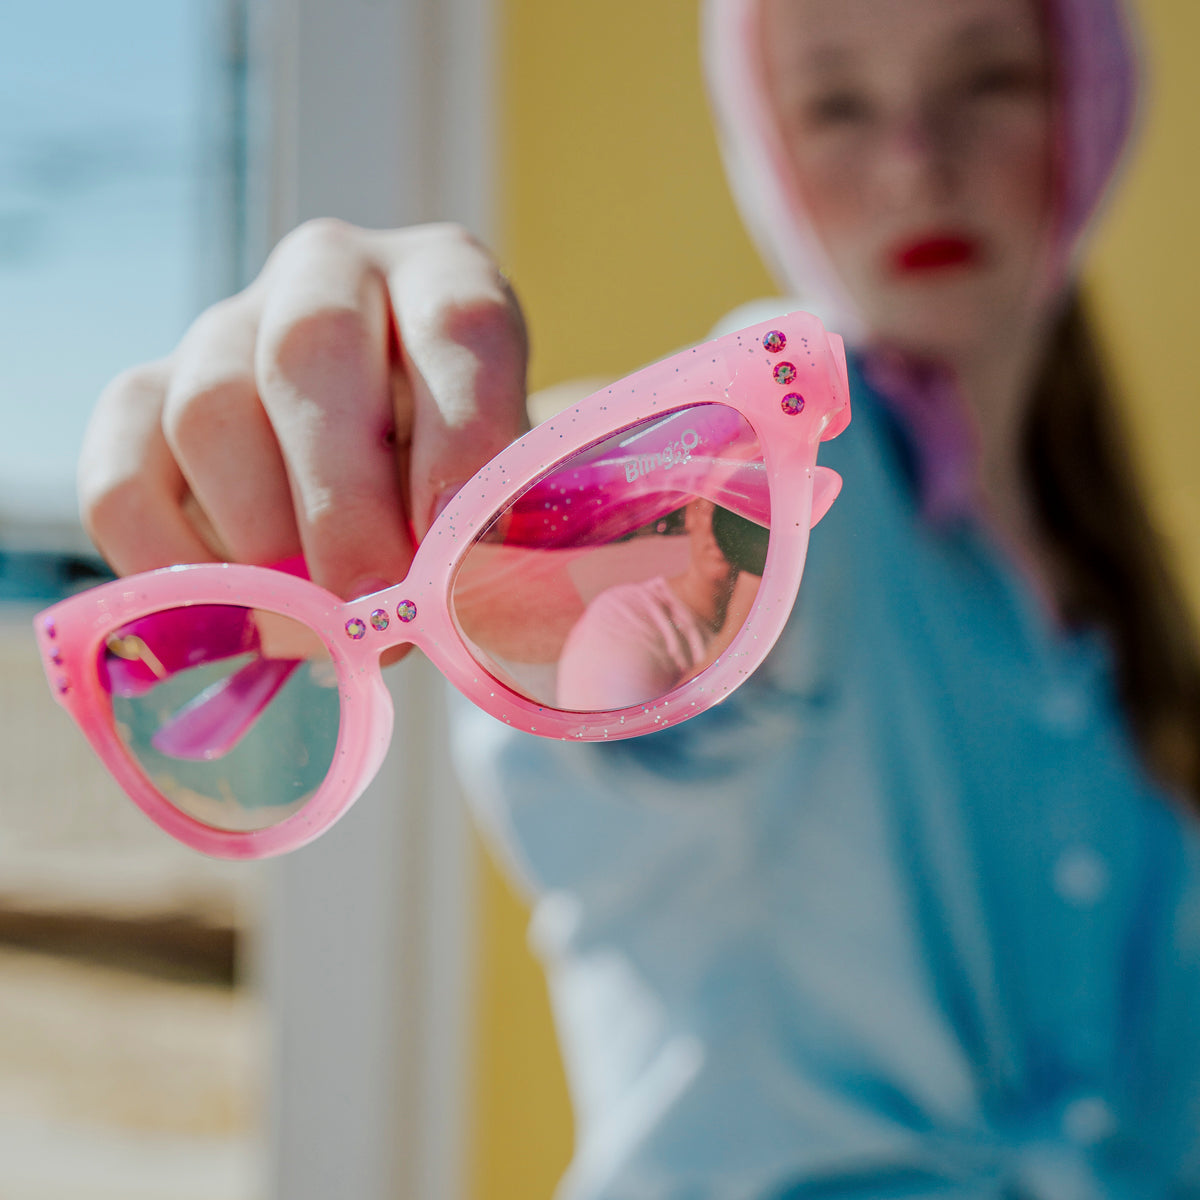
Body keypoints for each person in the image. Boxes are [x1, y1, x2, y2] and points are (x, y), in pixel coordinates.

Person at [78, 0, 1200, 1195]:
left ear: (1089, 109)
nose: (917, 155)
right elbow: (667, 562)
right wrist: (502, 486)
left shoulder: (1110, 574)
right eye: (835, 103)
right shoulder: (806, 450)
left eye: (988, 83)